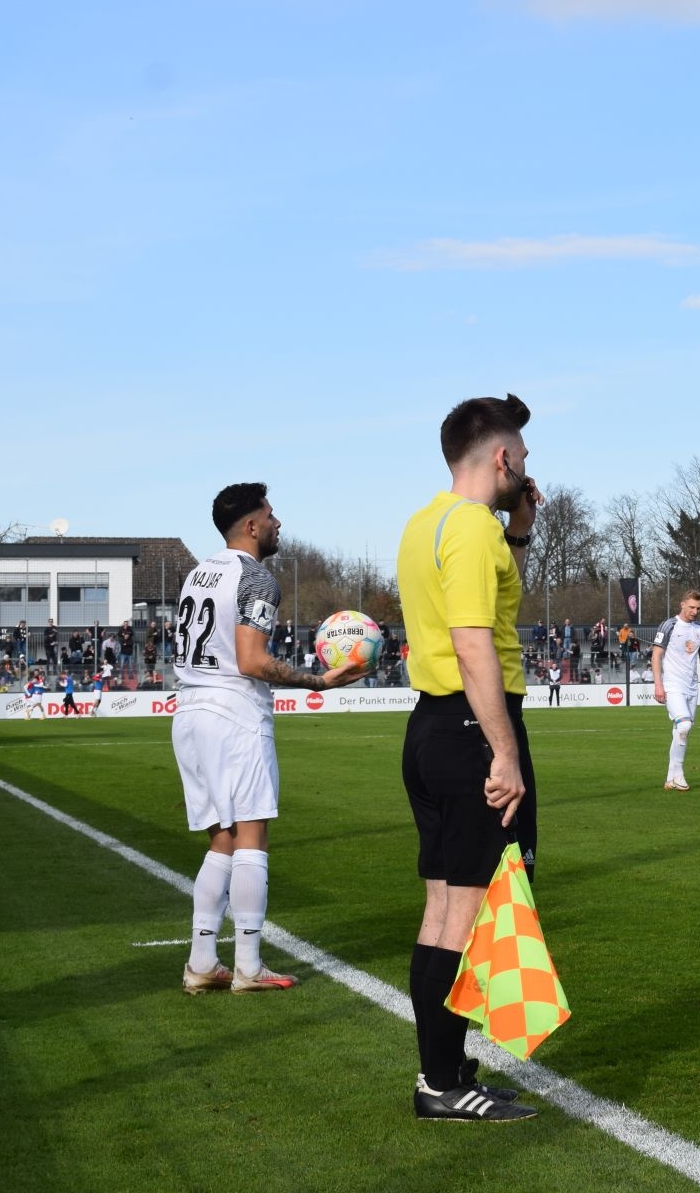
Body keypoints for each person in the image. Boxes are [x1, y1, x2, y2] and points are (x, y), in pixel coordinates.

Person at [394, 393, 541, 1122]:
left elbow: (493, 605)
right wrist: (504, 753)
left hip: (431, 727)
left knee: (443, 908)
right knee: (473, 912)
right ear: (502, 457)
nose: (528, 470)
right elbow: (474, 640)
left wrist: (521, 531)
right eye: (524, 458)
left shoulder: (427, 522)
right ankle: (441, 1085)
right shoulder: (474, 529)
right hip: (473, 731)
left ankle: (444, 1070)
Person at [173, 482, 369, 999]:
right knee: (252, 838)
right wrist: (318, 681)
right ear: (251, 525)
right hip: (233, 713)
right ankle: (249, 966)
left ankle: (201, 963)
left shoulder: (198, 573)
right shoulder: (255, 576)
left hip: (189, 710)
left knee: (222, 840)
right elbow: (252, 660)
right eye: (271, 514)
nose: (278, 523)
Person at [652, 590, 700, 792]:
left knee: (681, 731)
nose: (695, 612)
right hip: (673, 685)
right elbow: (656, 655)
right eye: (691, 607)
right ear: (682, 605)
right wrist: (658, 685)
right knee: (684, 725)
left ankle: (670, 778)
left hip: (692, 687)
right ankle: (679, 774)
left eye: (698, 608)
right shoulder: (669, 625)